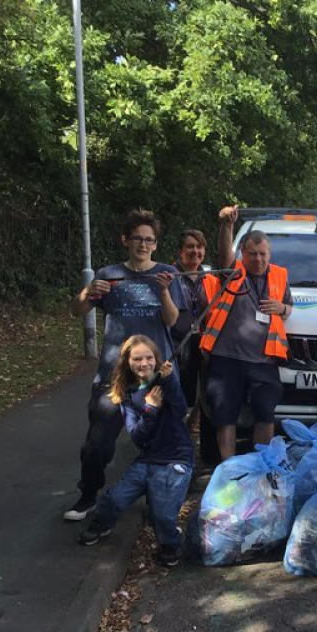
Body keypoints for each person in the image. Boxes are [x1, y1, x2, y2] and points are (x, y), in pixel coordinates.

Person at [66, 210, 185, 521]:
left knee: (161, 443)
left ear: (156, 245)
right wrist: (88, 291)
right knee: (97, 445)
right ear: (125, 241)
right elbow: (77, 310)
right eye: (138, 239)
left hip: (155, 376)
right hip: (114, 375)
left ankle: (156, 498)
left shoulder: (167, 274)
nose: (143, 244)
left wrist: (162, 291)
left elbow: (172, 321)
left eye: (149, 240)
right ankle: (89, 494)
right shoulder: (108, 274)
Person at [78, 335, 194, 566]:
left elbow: (180, 409)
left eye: (149, 357)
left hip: (175, 458)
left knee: (163, 515)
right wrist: (150, 410)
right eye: (137, 358)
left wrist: (170, 382)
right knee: (114, 499)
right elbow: (138, 436)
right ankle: (101, 524)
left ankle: (171, 544)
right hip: (147, 458)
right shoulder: (129, 396)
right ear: (127, 362)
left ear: (157, 360)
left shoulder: (166, 383)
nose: (144, 363)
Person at [200, 206, 293, 460]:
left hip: (264, 362)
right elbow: (223, 254)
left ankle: (260, 468)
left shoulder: (281, 276)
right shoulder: (234, 272)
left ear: (269, 254)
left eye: (263, 254)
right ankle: (228, 470)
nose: (258, 260)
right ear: (243, 253)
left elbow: (288, 310)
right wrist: (227, 226)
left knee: (265, 413)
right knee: (224, 416)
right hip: (227, 359)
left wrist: (282, 307)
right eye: (252, 254)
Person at [171, 228, 220, 468]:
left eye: (199, 247)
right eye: (190, 246)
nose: (195, 251)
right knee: (182, 402)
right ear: (180, 251)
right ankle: (178, 454)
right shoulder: (169, 276)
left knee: (209, 400)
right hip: (178, 347)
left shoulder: (210, 278)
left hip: (206, 345)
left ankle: (209, 457)